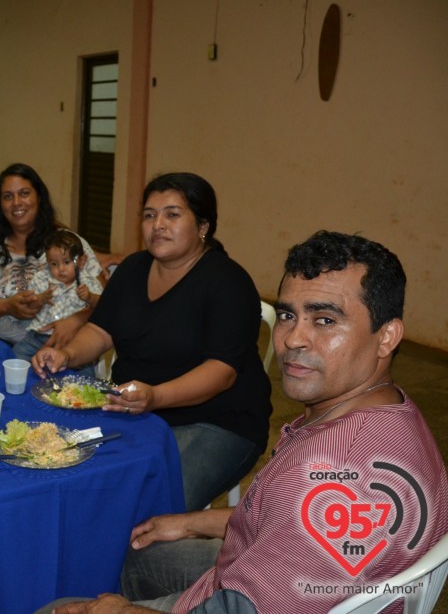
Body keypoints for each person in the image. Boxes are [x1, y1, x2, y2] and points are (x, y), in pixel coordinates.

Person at [44, 231, 448, 614]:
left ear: (387, 336)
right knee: (134, 548)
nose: (293, 339)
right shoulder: (390, 415)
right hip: (262, 574)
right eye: (289, 315)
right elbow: (285, 521)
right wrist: (192, 523)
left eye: (325, 320)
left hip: (239, 600)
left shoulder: (335, 475)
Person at [32, 172, 271, 511]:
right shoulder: (132, 269)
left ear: (203, 225)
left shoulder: (228, 283)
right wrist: (66, 354)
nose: (158, 224)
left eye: (172, 214)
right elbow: (101, 330)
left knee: (148, 506)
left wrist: (156, 396)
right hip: (133, 407)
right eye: (149, 215)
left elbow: (223, 372)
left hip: (216, 421)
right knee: (72, 479)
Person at [0, 163, 105, 348]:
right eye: (8, 196)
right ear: (0, 204)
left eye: (24, 193)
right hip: (1, 350)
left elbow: (108, 300)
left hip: (65, 351)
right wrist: (7, 306)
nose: (17, 202)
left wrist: (76, 320)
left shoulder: (68, 243)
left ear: (39, 197)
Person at [13, 229, 103, 362]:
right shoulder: (42, 279)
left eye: (67, 262)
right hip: (39, 337)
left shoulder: (88, 282)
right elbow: (29, 306)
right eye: (53, 264)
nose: (60, 269)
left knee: (83, 369)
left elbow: (103, 305)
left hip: (74, 340)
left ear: (82, 261)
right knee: (16, 355)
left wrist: (90, 297)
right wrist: (40, 299)